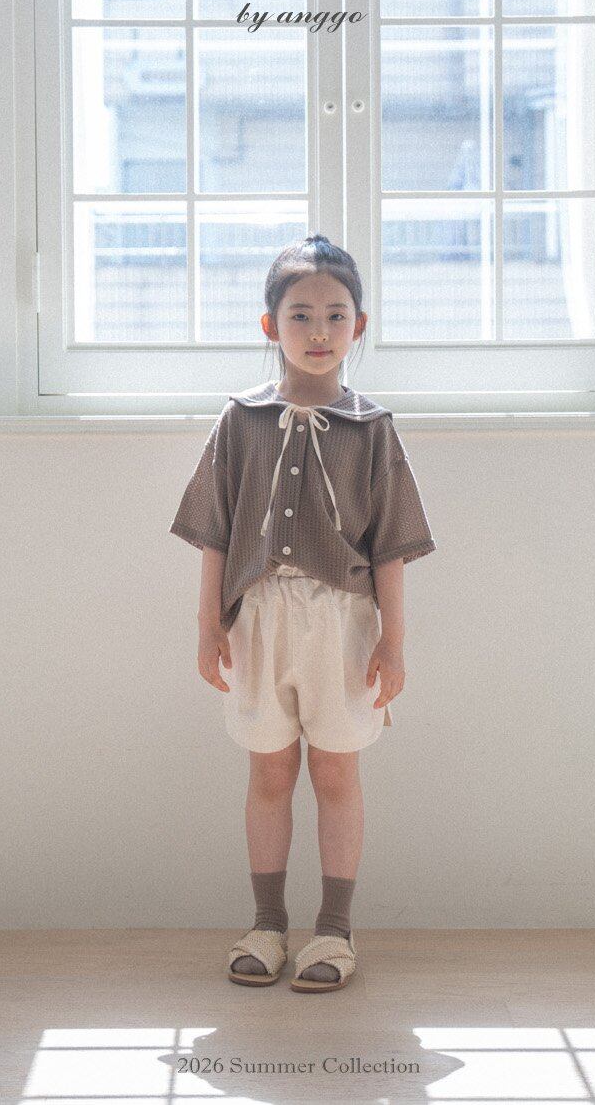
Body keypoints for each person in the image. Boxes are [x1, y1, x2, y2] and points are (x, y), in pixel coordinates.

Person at [169, 234, 436, 992]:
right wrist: (208, 626)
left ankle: (335, 930)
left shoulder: (372, 429)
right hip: (258, 621)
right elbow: (215, 531)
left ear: (359, 326)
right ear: (270, 326)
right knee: (269, 770)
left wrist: (394, 643)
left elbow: (391, 547)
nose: (319, 331)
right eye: (300, 315)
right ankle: (267, 922)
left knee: (337, 772)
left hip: (342, 625)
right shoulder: (240, 422)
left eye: (335, 315)